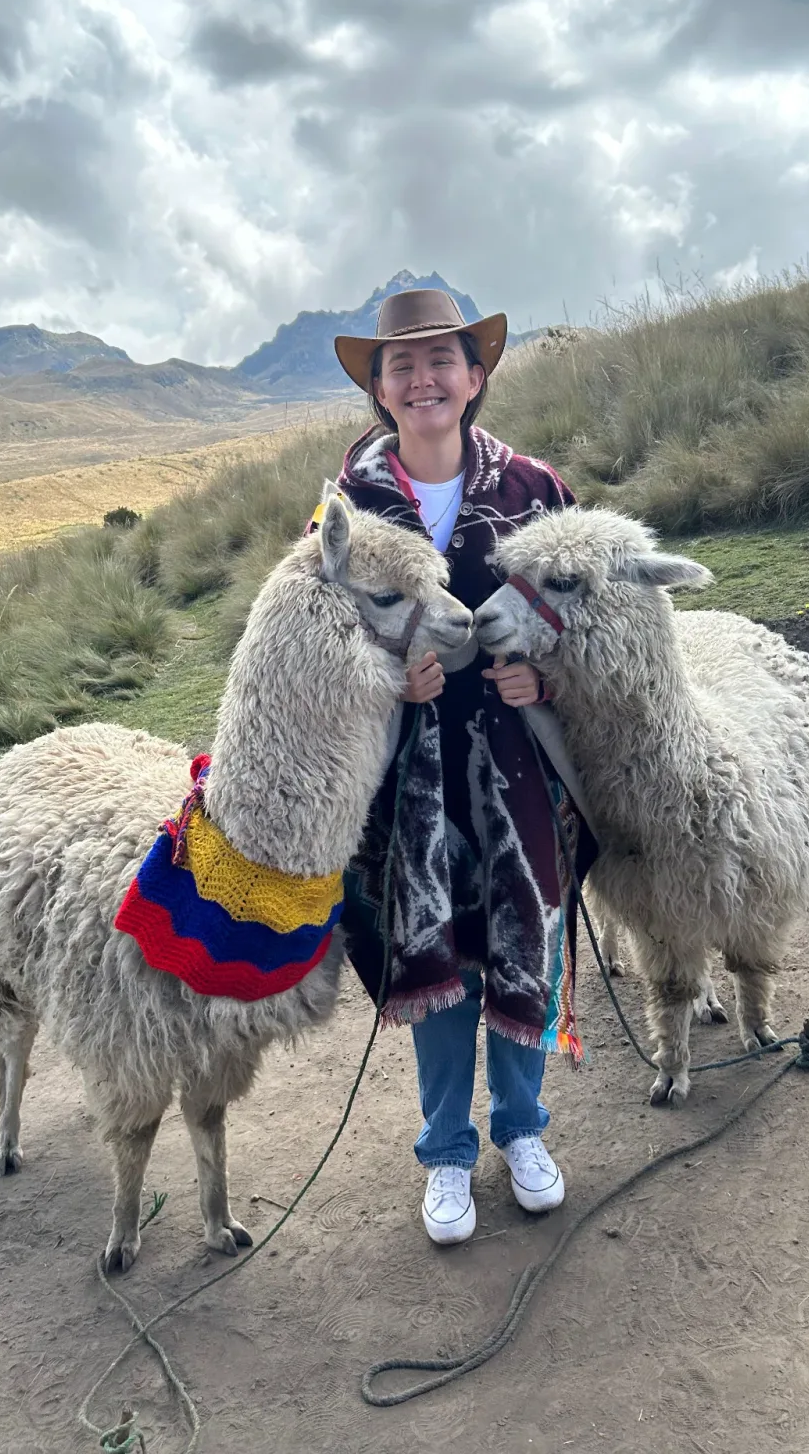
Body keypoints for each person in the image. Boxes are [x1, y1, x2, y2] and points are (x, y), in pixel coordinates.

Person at [322, 287, 596, 1246]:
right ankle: (446, 1150)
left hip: (523, 765)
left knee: (526, 935)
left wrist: (546, 684)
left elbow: (595, 622)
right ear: (381, 391)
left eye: (443, 360)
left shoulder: (535, 492)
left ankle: (522, 1131)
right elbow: (314, 644)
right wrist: (390, 685)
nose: (424, 378)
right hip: (408, 778)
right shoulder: (347, 511)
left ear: (475, 377)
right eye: (403, 365)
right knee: (431, 946)